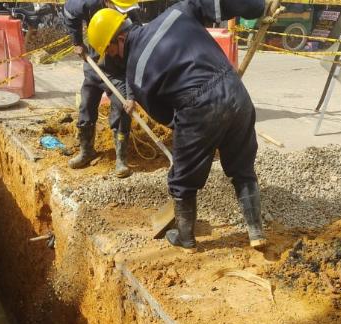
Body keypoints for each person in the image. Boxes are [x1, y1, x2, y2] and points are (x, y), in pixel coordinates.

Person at [86, 0, 278, 250]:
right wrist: (255, 8)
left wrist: (196, 140)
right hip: (236, 92)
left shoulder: (137, 73)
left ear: (119, 39)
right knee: (242, 167)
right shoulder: (175, 13)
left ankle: (185, 237)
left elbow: (167, 118)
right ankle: (256, 231)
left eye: (110, 51)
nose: (112, 58)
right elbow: (214, 4)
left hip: (198, 107)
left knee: (181, 179)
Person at [63, 0, 142, 178]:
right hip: (94, 64)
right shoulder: (89, 3)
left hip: (117, 73)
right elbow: (69, 11)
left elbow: (134, 62)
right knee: (86, 106)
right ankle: (86, 150)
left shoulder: (133, 18)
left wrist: (131, 96)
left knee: (121, 111)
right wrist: (76, 41)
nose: (123, 13)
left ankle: (121, 159)